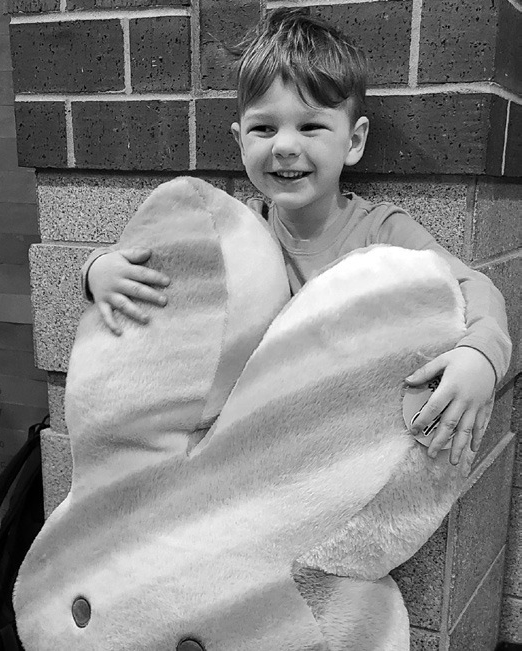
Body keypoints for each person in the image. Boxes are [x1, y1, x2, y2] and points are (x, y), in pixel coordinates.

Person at [82, 8, 511, 468]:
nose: (285, 146)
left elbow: (473, 286)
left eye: (310, 126)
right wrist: (98, 270)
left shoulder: (382, 230)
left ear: (354, 141)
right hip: (249, 450)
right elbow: (158, 264)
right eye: (264, 128)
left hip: (340, 450)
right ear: (240, 142)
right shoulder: (237, 230)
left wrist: (481, 357)